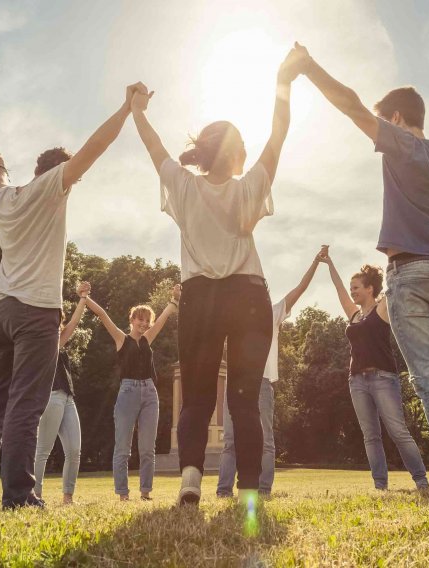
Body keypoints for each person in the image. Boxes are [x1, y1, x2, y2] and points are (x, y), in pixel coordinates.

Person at [293, 42, 429, 497]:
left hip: (409, 276)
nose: (380, 128)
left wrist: (309, 67)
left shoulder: (399, 142)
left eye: (386, 120)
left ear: (400, 120)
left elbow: (349, 104)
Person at [129, 47, 307, 506]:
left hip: (201, 297)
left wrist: (136, 109)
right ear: (238, 154)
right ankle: (249, 489)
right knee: (244, 399)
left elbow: (154, 148)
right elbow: (280, 133)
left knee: (197, 396)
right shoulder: (249, 187)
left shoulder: (185, 186)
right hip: (247, 296)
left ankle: (191, 478)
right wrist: (283, 79)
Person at [0, 83, 148, 511]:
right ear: (60, 173)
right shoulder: (54, 186)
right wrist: (125, 109)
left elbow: (1, 178)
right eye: (72, 175)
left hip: (3, 311)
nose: (76, 181)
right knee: (26, 405)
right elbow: (94, 147)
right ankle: (18, 495)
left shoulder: (7, 198)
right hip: (35, 312)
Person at [217, 249, 323, 498]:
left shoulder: (272, 313)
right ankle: (223, 490)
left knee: (264, 439)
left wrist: (315, 262)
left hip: (261, 383)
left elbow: (300, 289)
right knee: (230, 440)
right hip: (235, 383)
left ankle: (263, 489)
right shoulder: (231, 319)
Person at [320, 250, 429, 490]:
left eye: (357, 287)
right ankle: (380, 485)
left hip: (383, 378)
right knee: (371, 436)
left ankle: (421, 482)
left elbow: (393, 284)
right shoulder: (354, 314)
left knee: (398, 431)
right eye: (352, 288)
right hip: (356, 381)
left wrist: (398, 256)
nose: (352, 291)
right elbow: (339, 290)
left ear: (370, 289)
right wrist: (330, 264)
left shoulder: (382, 309)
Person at [85, 285, 180, 501]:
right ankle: (123, 495)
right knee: (123, 448)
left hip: (149, 393)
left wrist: (174, 299)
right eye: (141, 320)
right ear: (132, 320)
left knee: (147, 448)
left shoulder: (148, 339)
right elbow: (102, 314)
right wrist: (85, 297)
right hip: (127, 393)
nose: (145, 324)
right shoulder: (121, 339)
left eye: (147, 321)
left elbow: (165, 317)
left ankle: (145, 493)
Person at [34, 282, 91, 505]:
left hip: (67, 398)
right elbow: (74, 324)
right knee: (43, 450)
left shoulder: (59, 343)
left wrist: (83, 299)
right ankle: (35, 494)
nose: (59, 325)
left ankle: (68, 497)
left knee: (74, 450)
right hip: (51, 397)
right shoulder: (44, 344)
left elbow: (74, 322)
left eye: (60, 321)